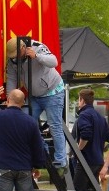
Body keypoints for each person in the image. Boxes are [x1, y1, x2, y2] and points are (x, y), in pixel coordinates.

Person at [5, 36, 67, 169]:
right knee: (26, 123)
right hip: (34, 96)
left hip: (53, 92)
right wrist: (9, 98)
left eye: (17, 54)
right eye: (12, 56)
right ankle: (43, 151)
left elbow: (54, 62)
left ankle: (61, 160)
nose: (15, 57)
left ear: (23, 48)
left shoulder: (38, 47)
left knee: (55, 126)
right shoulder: (12, 61)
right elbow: (11, 79)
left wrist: (37, 56)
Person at [72, 88, 109, 191]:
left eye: (78, 100)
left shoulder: (84, 115)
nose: (78, 103)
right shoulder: (101, 118)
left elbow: (85, 135)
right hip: (98, 161)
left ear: (82, 100)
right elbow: (108, 138)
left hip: (86, 161)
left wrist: (77, 150)